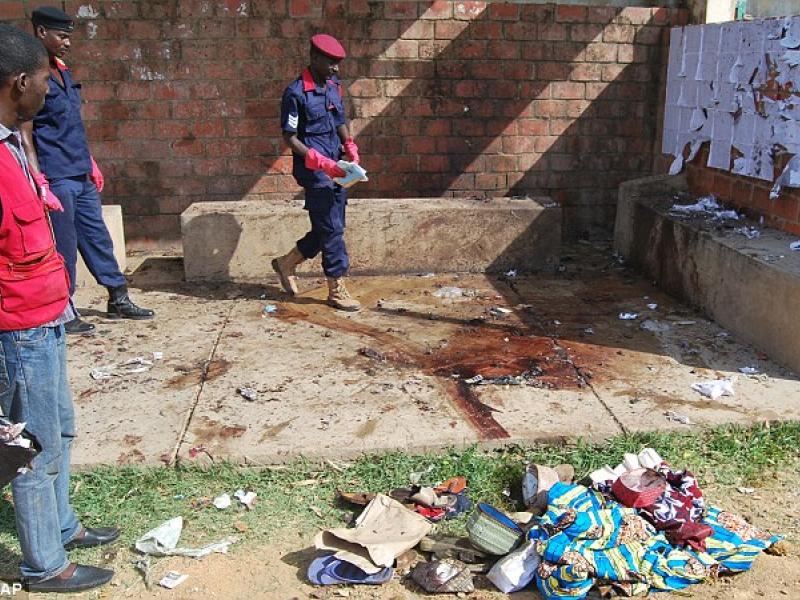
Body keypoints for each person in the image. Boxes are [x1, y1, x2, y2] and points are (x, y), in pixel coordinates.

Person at [0, 22, 119, 593]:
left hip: (46, 319)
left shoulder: (11, 143)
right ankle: (44, 565)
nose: (51, 90)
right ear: (20, 81)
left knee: (62, 432)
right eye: (45, 79)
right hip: (17, 332)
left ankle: (63, 527)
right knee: (34, 448)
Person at [20, 6, 154, 335]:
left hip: (79, 171)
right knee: (64, 246)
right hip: (56, 176)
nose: (67, 42)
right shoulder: (30, 75)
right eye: (61, 35)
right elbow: (26, 132)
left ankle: (118, 298)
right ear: (41, 33)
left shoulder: (61, 70)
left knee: (98, 238)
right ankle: (64, 310)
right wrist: (39, 181)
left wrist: (90, 162)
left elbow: (72, 125)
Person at [273, 34, 362, 311]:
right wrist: (316, 159)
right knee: (332, 228)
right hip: (314, 171)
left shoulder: (333, 85)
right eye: (331, 62)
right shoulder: (296, 92)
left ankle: (287, 262)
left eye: (338, 63)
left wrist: (349, 144)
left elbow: (338, 119)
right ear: (315, 58)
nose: (336, 68)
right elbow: (290, 136)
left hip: (337, 167)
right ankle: (336, 287)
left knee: (331, 225)